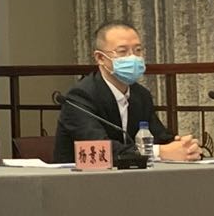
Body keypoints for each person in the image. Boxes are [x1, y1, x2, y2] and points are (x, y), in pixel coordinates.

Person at [53, 20, 202, 163]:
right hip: (78, 178)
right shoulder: (80, 97)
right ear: (100, 58)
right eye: (122, 51)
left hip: (129, 176)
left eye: (138, 50)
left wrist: (184, 148)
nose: (133, 57)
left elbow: (159, 137)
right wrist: (160, 152)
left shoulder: (140, 95)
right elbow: (100, 149)